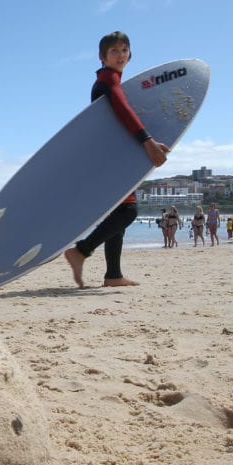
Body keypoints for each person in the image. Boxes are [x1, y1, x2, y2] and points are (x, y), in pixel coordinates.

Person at [64, 32, 170, 287]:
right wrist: (148, 142)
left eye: (124, 50)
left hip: (111, 157)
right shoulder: (108, 79)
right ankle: (81, 251)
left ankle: (113, 275)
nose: (121, 55)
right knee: (129, 211)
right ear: (103, 57)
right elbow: (123, 111)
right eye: (114, 51)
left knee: (120, 212)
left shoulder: (111, 80)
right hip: (110, 159)